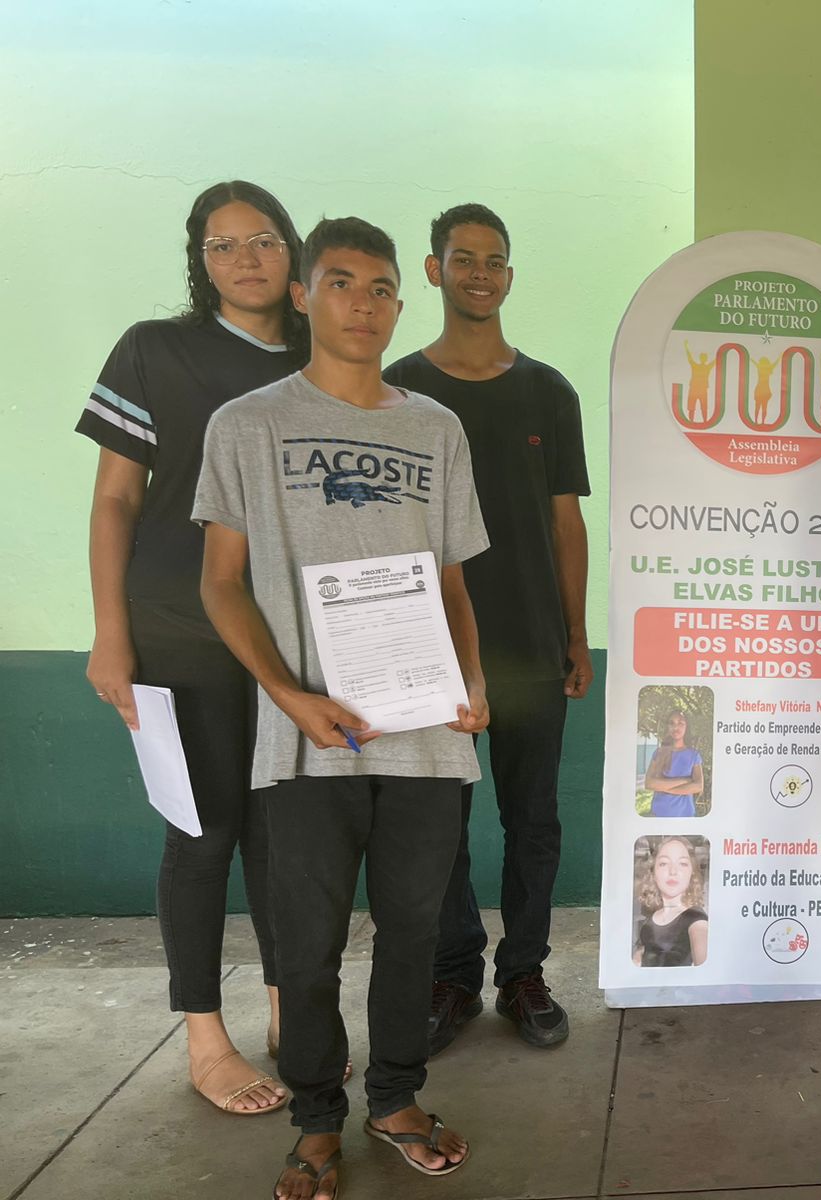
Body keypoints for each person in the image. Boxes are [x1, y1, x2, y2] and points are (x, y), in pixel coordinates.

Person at [194, 216, 490, 1197]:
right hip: (302, 742)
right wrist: (290, 694)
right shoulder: (246, 424)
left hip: (424, 742)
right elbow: (221, 583)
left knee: (414, 936)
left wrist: (473, 682)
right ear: (305, 297)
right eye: (341, 282)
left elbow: (451, 585)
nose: (363, 303)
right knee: (308, 949)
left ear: (400, 303)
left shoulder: (435, 428)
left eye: (380, 287)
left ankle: (396, 1097)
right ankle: (317, 1119)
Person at [77, 180, 306, 1116]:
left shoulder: (329, 351)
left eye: (262, 240)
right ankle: (206, 1039)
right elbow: (117, 499)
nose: (245, 258)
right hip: (180, 632)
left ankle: (295, 1014)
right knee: (203, 837)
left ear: (293, 252)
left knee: (291, 843)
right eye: (223, 246)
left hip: (299, 643)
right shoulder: (154, 349)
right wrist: (110, 636)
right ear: (199, 262)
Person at [384, 203, 592, 1056]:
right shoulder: (396, 388)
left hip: (532, 651)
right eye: (462, 258)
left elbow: (565, 524)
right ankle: (452, 974)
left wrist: (576, 636)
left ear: (510, 275)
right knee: (437, 827)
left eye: (495, 260)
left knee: (532, 822)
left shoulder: (548, 392)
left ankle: (523, 973)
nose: (480, 272)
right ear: (434, 270)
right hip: (427, 658)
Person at [632, 836, 709, 967]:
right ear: (653, 871)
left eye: (683, 864)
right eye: (664, 863)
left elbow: (705, 968)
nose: (673, 871)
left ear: (692, 872)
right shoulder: (653, 916)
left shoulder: (695, 919)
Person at [644, 709, 705, 817]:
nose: (675, 727)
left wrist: (662, 787)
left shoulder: (694, 755)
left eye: (680, 723)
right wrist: (685, 780)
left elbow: (698, 786)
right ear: (668, 727)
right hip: (659, 816)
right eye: (671, 723)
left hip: (684, 816)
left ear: (687, 727)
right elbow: (649, 784)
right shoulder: (659, 753)